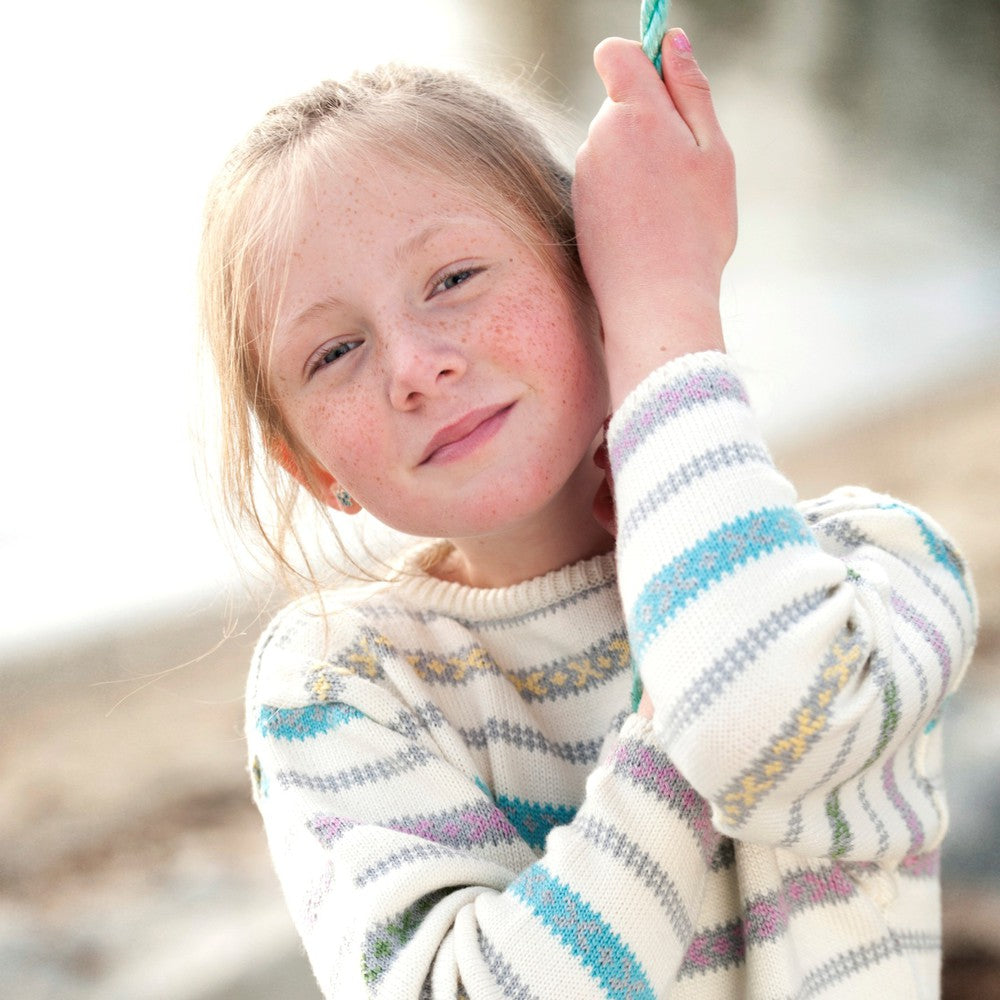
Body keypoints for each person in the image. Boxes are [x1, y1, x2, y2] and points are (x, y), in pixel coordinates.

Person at [199, 26, 977, 1000]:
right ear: (310, 465)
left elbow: (760, 718)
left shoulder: (877, 571)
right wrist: (668, 719)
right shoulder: (340, 686)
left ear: (591, 276)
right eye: (332, 353)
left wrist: (664, 304)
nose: (412, 366)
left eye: (453, 279)